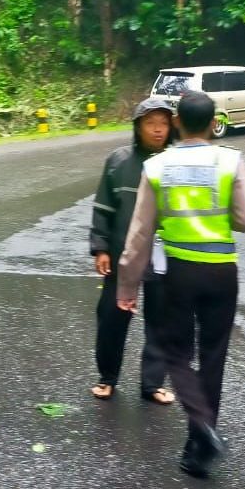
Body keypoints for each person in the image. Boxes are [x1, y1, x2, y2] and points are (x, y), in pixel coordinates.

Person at [117, 92, 245, 478]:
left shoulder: (158, 166)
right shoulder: (230, 161)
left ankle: (203, 427)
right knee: (213, 356)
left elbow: (140, 233)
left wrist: (126, 285)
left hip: (179, 272)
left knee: (175, 352)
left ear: (176, 121)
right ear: (214, 123)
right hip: (221, 272)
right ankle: (198, 448)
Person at [88, 98, 176, 405]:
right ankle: (107, 377)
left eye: (163, 124)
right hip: (122, 254)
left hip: (164, 255)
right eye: (151, 123)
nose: (157, 130)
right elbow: (102, 208)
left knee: (161, 319)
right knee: (112, 316)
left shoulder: (176, 163)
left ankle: (152, 384)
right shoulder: (119, 160)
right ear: (138, 127)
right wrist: (100, 248)